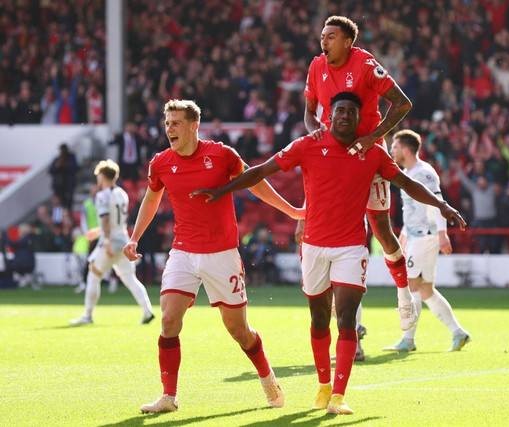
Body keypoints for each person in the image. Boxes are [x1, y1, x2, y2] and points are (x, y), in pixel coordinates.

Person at [191, 93, 466, 415]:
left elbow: (406, 183)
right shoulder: (307, 145)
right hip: (314, 247)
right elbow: (262, 171)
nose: (345, 116)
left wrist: (443, 206)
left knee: (346, 319)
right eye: (340, 111)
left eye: (351, 111)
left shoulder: (372, 153)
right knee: (319, 320)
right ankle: (323, 385)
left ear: (358, 117)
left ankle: (338, 394)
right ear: (329, 117)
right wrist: (222, 190)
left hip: (351, 247)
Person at [124, 99, 303, 414]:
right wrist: (134, 237)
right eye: (167, 123)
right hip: (183, 252)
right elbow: (151, 199)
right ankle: (168, 396)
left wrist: (291, 210)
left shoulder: (222, 155)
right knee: (168, 319)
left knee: (238, 330)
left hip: (222, 255)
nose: (169, 129)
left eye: (176, 123)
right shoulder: (161, 163)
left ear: (194, 125)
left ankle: (268, 379)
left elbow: (255, 184)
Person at [301, 15, 416, 333]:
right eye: (322, 36)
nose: (324, 41)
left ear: (348, 42)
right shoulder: (316, 67)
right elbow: (309, 112)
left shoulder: (365, 64)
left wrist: (371, 136)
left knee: (380, 227)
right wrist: (315, 134)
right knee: (342, 236)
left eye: (331, 36)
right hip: (333, 159)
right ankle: (353, 326)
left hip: (368, 157)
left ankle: (403, 293)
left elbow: (402, 103)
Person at [384, 130, 471, 352]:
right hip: (417, 235)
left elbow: (437, 203)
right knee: (425, 290)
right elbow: (415, 208)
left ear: (405, 149)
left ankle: (408, 339)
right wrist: (404, 233)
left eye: (394, 147)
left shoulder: (423, 173)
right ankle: (458, 332)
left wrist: (443, 234)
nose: (391, 151)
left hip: (425, 236)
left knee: (410, 284)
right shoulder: (409, 172)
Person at [70, 160, 155, 326]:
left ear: (102, 176)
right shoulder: (122, 193)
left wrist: (106, 240)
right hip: (123, 239)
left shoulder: (102, 195)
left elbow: (106, 219)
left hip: (110, 241)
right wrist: (99, 232)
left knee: (93, 275)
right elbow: (117, 221)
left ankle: (87, 315)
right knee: (130, 278)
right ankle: (147, 311)